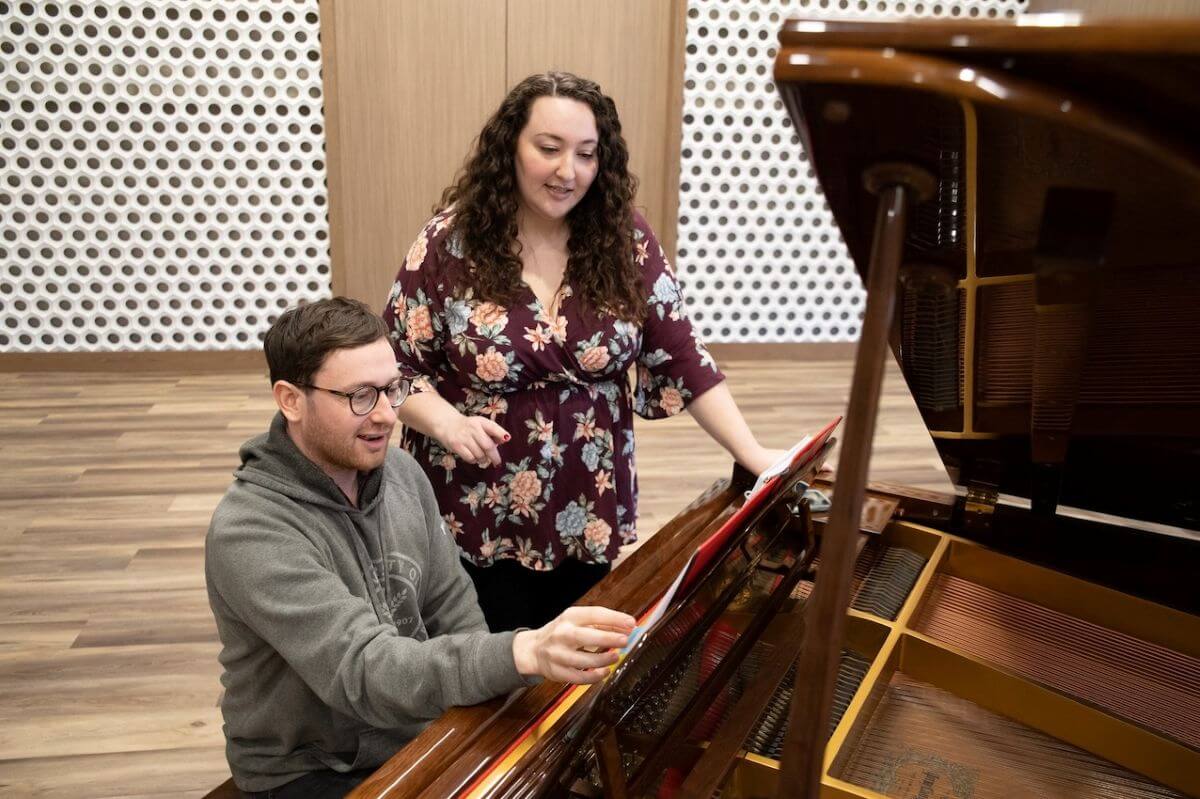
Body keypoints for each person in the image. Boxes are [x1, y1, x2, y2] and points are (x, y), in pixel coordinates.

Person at [383, 71, 782, 633]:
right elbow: (394, 368)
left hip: (585, 503)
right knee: (484, 668)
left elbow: (684, 356)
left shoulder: (626, 240)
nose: (567, 171)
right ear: (510, 149)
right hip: (475, 503)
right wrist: (447, 422)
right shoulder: (450, 243)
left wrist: (756, 455)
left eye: (586, 154)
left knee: (569, 671)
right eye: (548, 148)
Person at [205, 297, 635, 798]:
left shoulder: (403, 473)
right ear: (291, 400)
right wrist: (524, 650)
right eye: (360, 396)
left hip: (407, 731)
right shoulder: (250, 531)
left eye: (392, 389)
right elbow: (364, 671)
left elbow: (452, 607)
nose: (387, 415)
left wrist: (491, 718)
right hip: (311, 769)